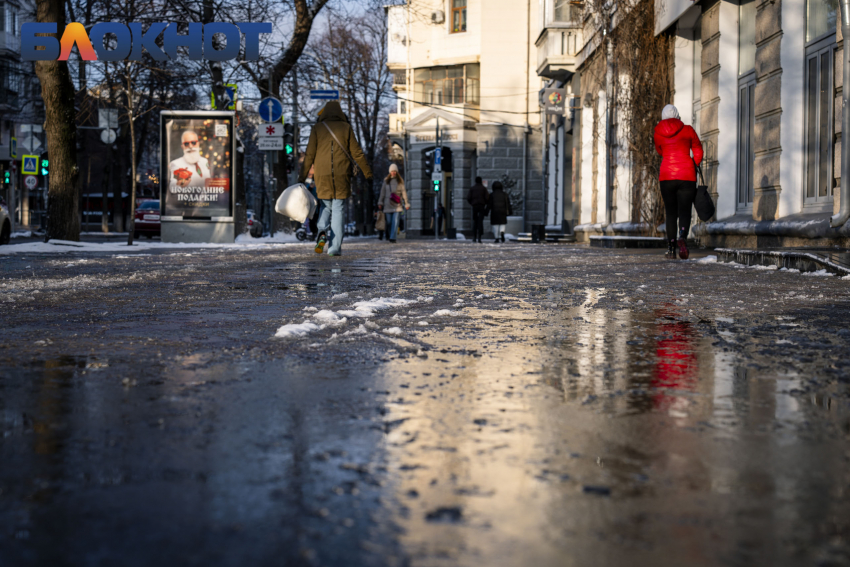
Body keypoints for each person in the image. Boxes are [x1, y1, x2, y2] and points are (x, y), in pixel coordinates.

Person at [299, 101, 372, 256]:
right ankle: (334, 248)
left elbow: (309, 155)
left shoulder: (317, 129)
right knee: (338, 208)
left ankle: (322, 231)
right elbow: (357, 153)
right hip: (341, 175)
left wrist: (302, 177)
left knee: (325, 205)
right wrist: (368, 173)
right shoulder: (346, 128)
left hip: (322, 175)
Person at [654, 104, 703, 260]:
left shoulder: (658, 133)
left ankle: (671, 249)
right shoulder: (688, 130)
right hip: (687, 175)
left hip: (667, 176)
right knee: (685, 210)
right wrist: (695, 163)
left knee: (671, 213)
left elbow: (660, 150)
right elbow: (698, 149)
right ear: (678, 116)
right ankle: (682, 234)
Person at [377, 163, 409, 243]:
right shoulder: (386, 181)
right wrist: (380, 202)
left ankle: (392, 237)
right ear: (390, 172)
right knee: (389, 222)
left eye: (395, 171)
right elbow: (382, 193)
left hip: (397, 205)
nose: (393, 172)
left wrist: (406, 203)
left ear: (397, 171)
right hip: (388, 205)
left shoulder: (400, 181)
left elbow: (404, 193)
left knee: (395, 222)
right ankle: (389, 234)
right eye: (392, 171)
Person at [467, 176, 489, 243]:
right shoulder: (483, 189)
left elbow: (468, 198)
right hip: (481, 206)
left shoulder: (472, 188)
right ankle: (479, 237)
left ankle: (474, 237)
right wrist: (484, 203)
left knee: (475, 221)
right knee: (480, 221)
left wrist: (472, 203)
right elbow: (487, 198)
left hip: (475, 206)